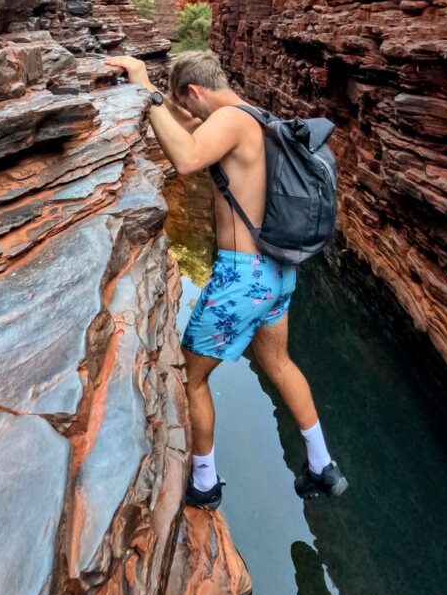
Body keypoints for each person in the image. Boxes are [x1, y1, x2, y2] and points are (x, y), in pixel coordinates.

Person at [106, 50, 347, 509]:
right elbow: (182, 120)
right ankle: (321, 464)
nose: (192, 114)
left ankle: (204, 482)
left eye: (191, 104)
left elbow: (188, 159)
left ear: (196, 91)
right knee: (280, 364)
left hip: (242, 277)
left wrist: (140, 78)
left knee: (191, 379)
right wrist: (157, 96)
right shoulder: (254, 115)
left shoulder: (230, 121)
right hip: (278, 273)